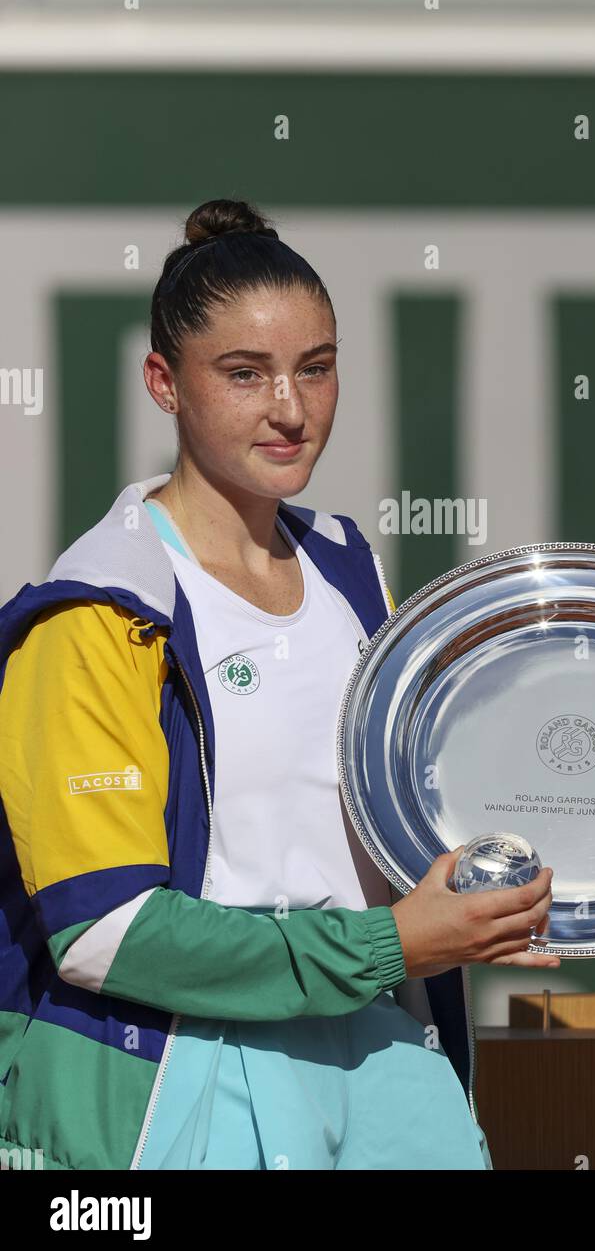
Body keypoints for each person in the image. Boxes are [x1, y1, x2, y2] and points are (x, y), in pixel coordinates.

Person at [0, 197, 564, 1172]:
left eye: (315, 366)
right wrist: (387, 945)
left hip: (386, 1055)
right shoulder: (95, 610)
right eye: (244, 374)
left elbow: (434, 807)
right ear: (162, 383)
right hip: (180, 1067)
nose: (290, 409)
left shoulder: (350, 567)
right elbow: (104, 932)